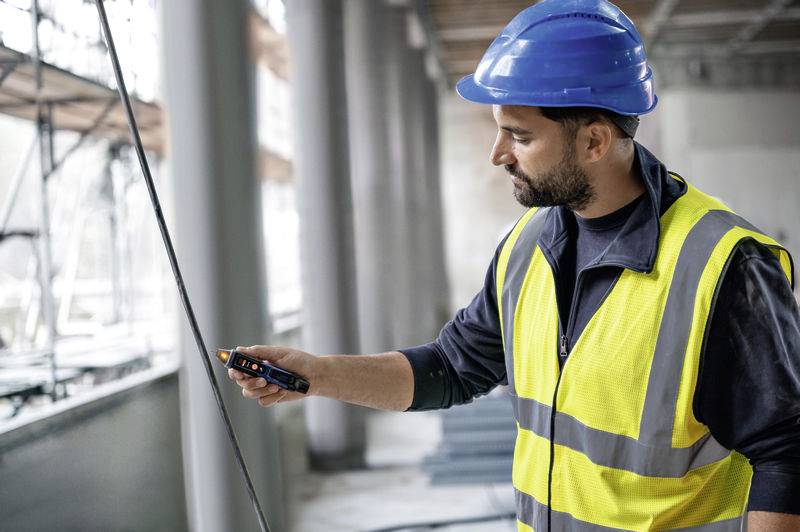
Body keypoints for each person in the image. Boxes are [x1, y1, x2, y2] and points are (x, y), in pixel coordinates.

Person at [229, 0, 800, 529]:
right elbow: (452, 368)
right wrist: (317, 375)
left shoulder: (724, 264)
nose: (497, 154)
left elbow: (786, 452)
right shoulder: (531, 241)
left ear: (595, 141)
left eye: (518, 136)